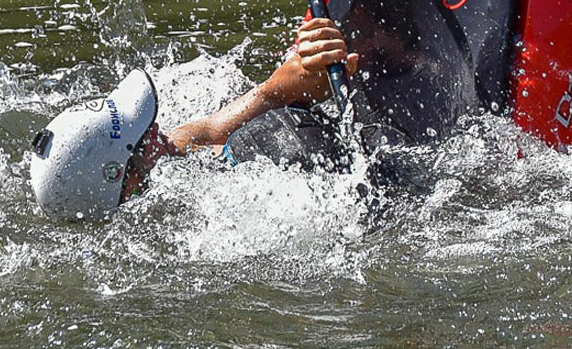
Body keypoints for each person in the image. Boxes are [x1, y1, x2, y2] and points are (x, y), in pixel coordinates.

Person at [29, 18, 360, 222]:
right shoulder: (185, 227)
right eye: (143, 137)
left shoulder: (175, 150)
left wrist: (303, 70)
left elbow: (264, 98)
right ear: (125, 183)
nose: (157, 130)